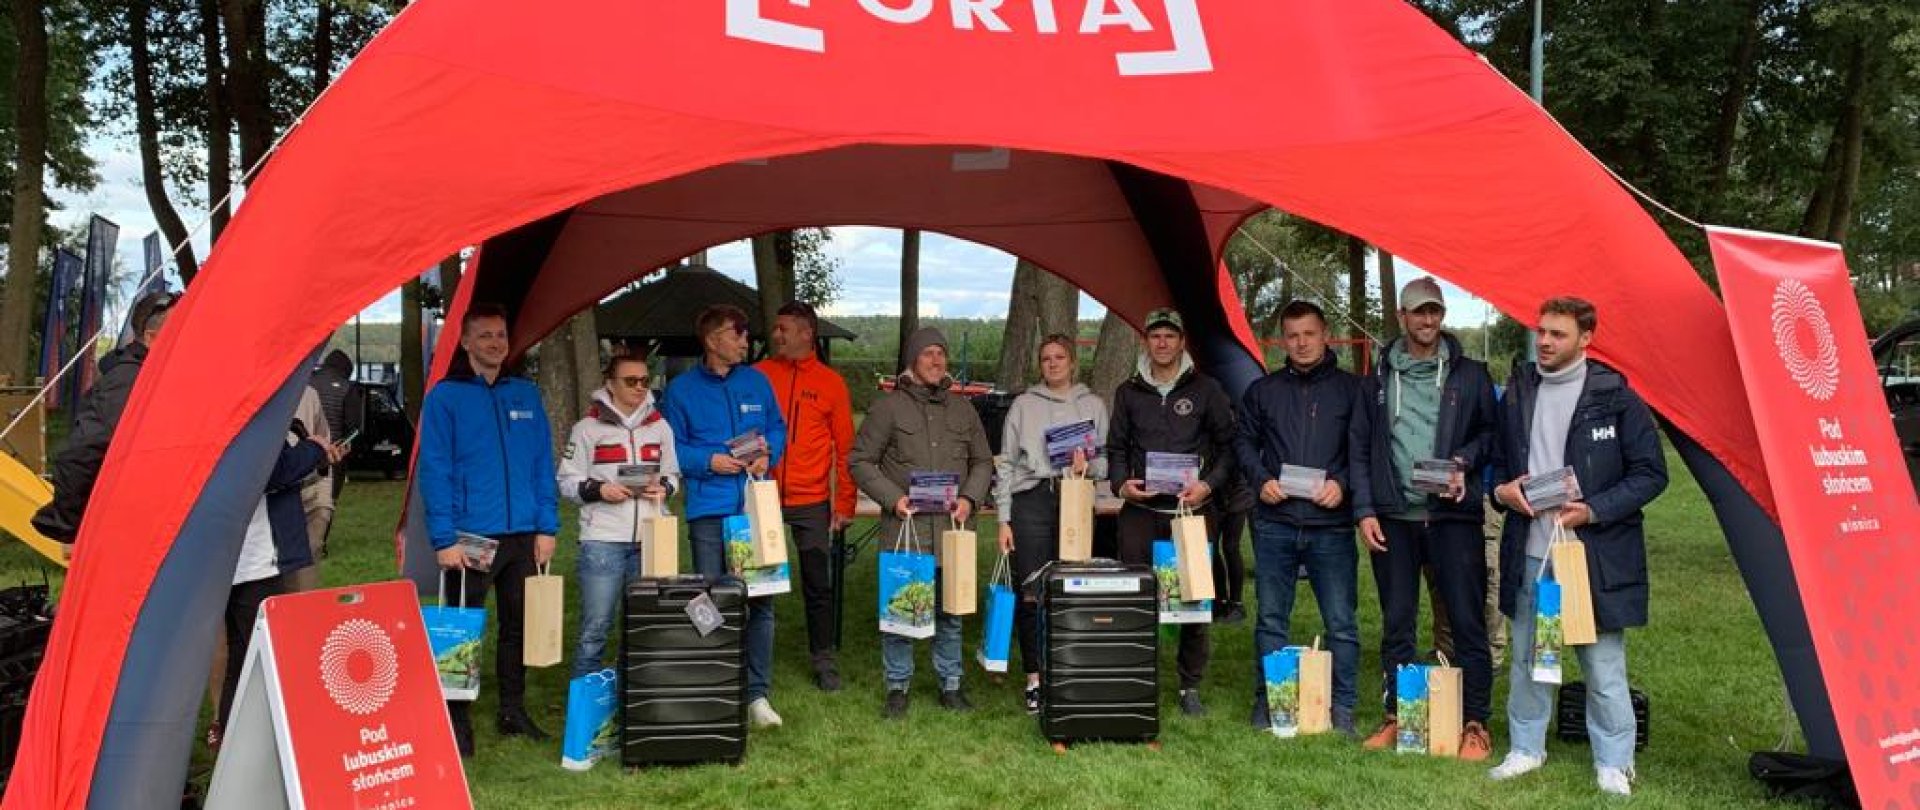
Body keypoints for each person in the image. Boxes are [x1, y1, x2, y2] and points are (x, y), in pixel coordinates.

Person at [1488, 297, 1667, 796]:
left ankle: (1613, 761)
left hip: (1590, 556)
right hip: (1531, 551)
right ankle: (1526, 748)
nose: (1545, 341)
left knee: (1601, 662)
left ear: (1586, 338)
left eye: (1558, 334)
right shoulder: (1519, 392)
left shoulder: (1616, 396)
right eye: (1541, 332)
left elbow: (1652, 474)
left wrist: (1593, 509)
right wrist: (1501, 492)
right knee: (1528, 658)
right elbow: (1497, 465)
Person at [1351, 277, 1499, 760]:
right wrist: (1365, 510)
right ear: (1402, 316)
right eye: (1419, 312)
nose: (1428, 320)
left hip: (1452, 518)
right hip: (1394, 517)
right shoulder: (1375, 378)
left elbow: (1489, 435)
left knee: (1466, 622)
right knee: (1397, 623)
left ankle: (1475, 723)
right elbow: (1358, 448)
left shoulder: (1471, 373)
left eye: (1434, 311)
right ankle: (1399, 715)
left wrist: (1464, 463)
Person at [417, 303, 560, 755]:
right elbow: (434, 469)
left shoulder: (526, 394)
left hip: (522, 535)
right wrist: (444, 539)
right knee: (463, 629)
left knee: (517, 626)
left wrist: (547, 526)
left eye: (500, 335)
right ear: (464, 341)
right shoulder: (445, 397)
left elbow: (541, 464)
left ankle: (512, 710)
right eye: (484, 336)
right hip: (470, 538)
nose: (495, 343)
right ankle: (457, 719)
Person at [1232, 301, 1362, 736]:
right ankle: (1271, 701)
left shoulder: (1352, 390)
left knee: (1341, 621)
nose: (1302, 343)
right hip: (1275, 521)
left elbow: (1361, 450)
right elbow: (1244, 443)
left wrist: (1341, 484)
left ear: (1326, 334)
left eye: (1309, 333)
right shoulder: (1262, 391)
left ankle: (1342, 707)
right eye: (1292, 335)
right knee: (1271, 618)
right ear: (1282, 341)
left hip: (1332, 525)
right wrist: (1261, 478)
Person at [850, 327, 993, 719]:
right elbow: (859, 461)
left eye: (941, 354)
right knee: (900, 611)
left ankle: (951, 684)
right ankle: (898, 687)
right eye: (928, 353)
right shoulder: (888, 408)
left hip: (952, 530)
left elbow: (982, 460)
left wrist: (970, 498)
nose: (937, 361)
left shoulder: (964, 409)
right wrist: (892, 498)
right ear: (913, 359)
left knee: (951, 611)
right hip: (906, 530)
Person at [663, 304, 789, 728]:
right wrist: (708, 461)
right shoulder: (680, 391)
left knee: (761, 602)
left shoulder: (757, 381)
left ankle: (757, 695)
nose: (744, 341)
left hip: (755, 510)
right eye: (736, 334)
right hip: (709, 511)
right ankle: (716, 684)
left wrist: (767, 453)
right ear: (712, 339)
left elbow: (777, 427)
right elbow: (671, 449)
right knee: (711, 600)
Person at [1107, 308, 1236, 717]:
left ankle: (1189, 684)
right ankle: (1136, 673)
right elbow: (1115, 449)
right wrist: (1121, 484)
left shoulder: (1207, 389)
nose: (1162, 343)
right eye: (1155, 336)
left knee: (1193, 594)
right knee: (1135, 591)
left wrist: (1208, 486)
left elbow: (1229, 447)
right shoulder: (1128, 392)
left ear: (1182, 342)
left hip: (1191, 511)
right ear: (1145, 341)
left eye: (1170, 336)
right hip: (1141, 511)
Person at [993, 333, 1108, 714]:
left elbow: (1107, 459)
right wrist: (1004, 518)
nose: (1053, 363)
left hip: (1075, 497)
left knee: (1072, 587)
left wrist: (1088, 465)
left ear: (1072, 362)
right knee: (1031, 592)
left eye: (1060, 357)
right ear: (1039, 364)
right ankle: (1035, 678)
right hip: (1032, 502)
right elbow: (1006, 463)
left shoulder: (1092, 404)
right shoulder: (1024, 405)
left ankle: (1068, 671)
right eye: (1046, 358)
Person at [212, 420, 343, 748]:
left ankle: (237, 742)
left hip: (237, 554)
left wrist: (313, 457)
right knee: (256, 658)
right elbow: (272, 471)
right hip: (252, 558)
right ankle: (251, 746)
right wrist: (311, 448)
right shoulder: (253, 415)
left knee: (244, 656)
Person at [755, 301, 858, 692]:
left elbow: (846, 449)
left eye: (783, 328)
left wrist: (844, 503)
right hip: (761, 493)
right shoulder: (759, 375)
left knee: (818, 582)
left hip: (811, 499)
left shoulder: (831, 383)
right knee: (754, 577)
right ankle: (749, 654)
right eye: (776, 328)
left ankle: (823, 658)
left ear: (805, 333)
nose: (776, 335)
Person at [557, 354, 680, 679]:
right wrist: (600, 490)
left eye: (644, 380)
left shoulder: (660, 426)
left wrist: (664, 488)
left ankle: (632, 701)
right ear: (609, 384)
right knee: (595, 628)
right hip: (603, 541)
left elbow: (674, 475)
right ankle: (586, 712)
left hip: (652, 539)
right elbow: (566, 481)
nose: (640, 387)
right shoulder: (586, 429)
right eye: (630, 381)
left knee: (643, 625)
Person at [33, 290, 178, 556]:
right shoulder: (129, 381)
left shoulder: (155, 378)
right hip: (121, 532)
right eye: (179, 330)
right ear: (150, 338)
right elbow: (82, 453)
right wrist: (68, 526)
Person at [283, 385, 333, 592]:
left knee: (304, 588)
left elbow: (324, 446)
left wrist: (324, 505)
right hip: (273, 513)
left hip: (310, 501)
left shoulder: (309, 394)